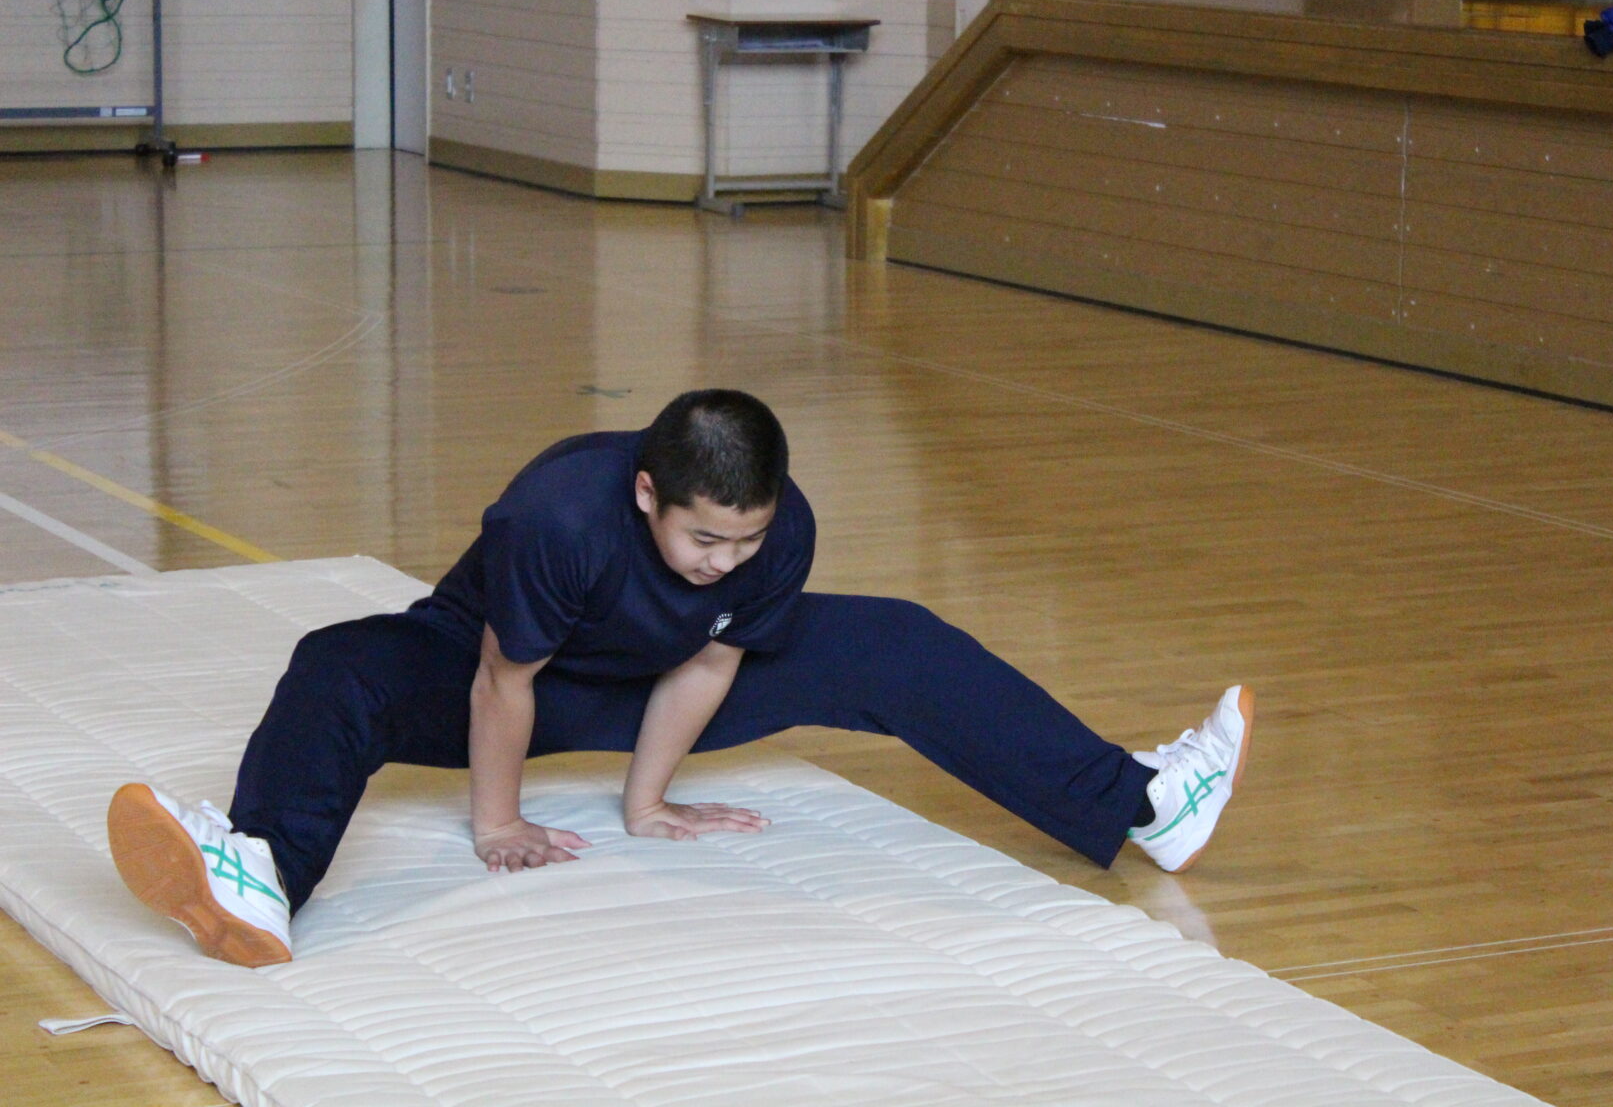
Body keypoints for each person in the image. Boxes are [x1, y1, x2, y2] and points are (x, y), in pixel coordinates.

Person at [106, 390, 1254, 967]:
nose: (730, 559)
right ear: (650, 492)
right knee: (336, 662)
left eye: (748, 540)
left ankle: (1143, 804)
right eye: (709, 540)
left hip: (652, 679)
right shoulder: (555, 513)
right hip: (490, 668)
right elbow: (507, 679)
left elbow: (711, 656)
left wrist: (648, 802)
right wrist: (496, 822)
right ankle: (263, 875)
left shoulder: (773, 531)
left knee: (896, 640)